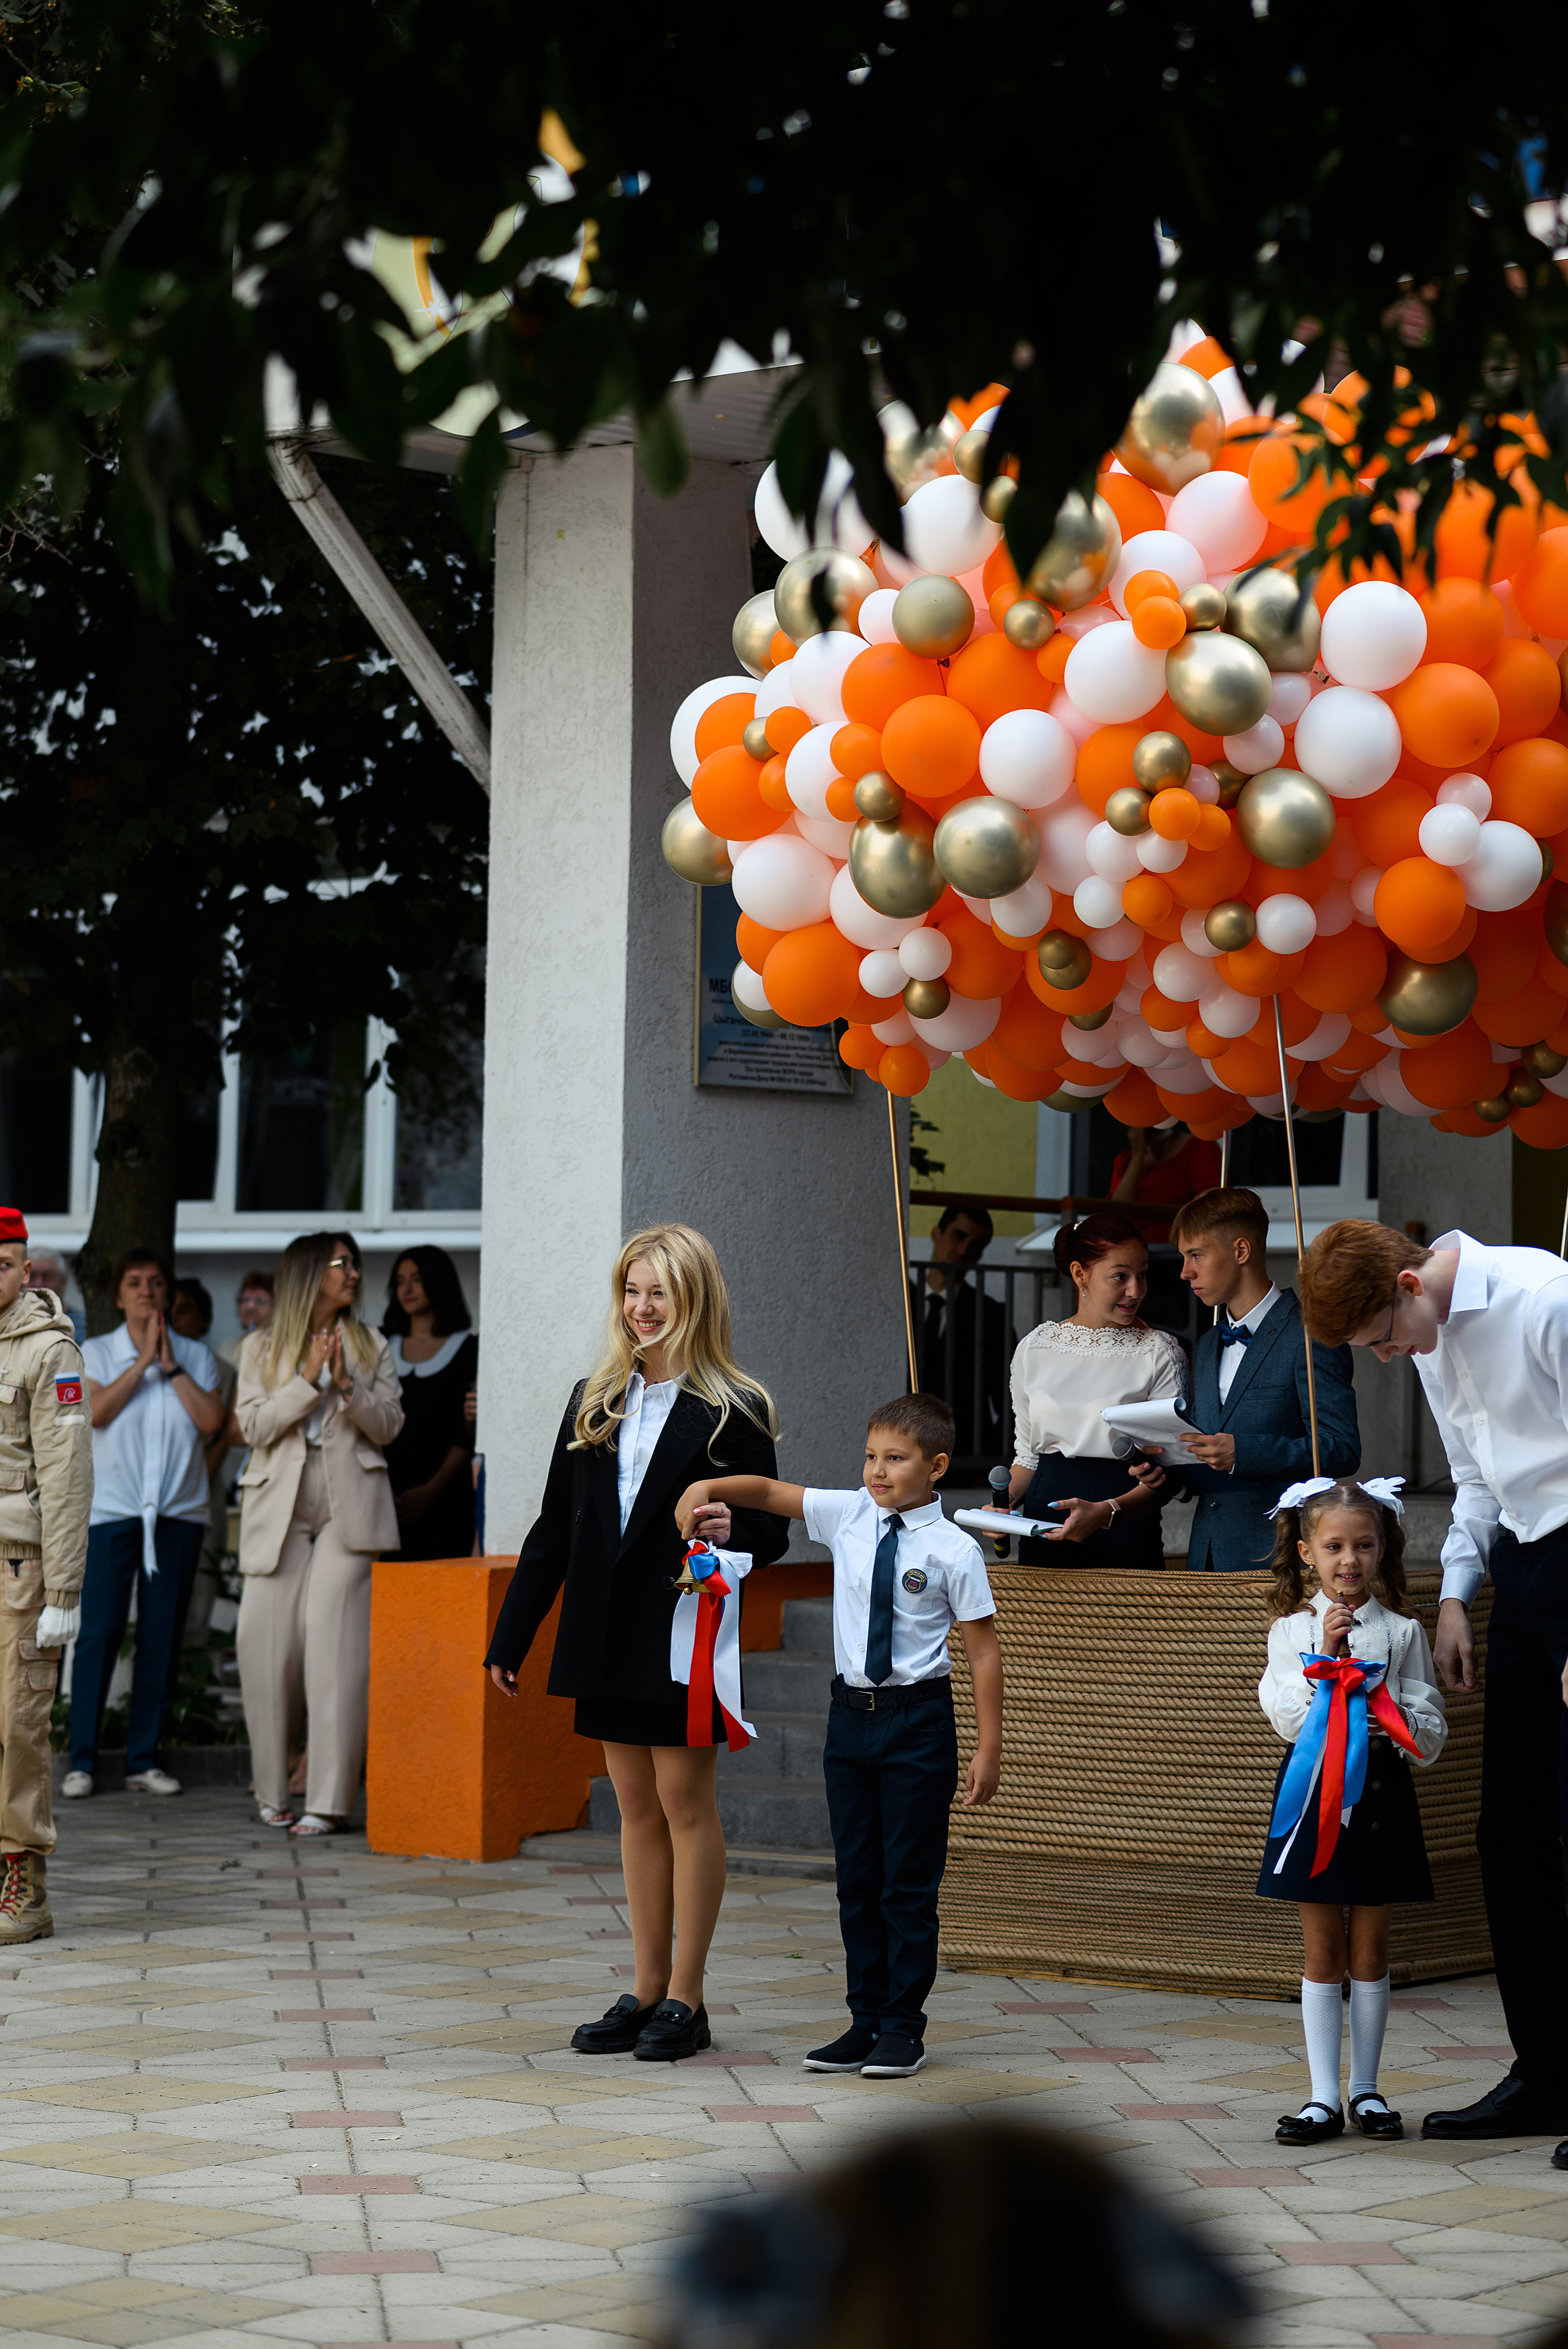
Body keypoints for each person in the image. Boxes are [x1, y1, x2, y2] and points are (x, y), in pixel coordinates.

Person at [485, 1225, 788, 2061]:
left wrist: (733, 1531)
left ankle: (688, 1998)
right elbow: (554, 1528)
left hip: (680, 1630)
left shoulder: (736, 1405)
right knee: (634, 1807)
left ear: (694, 1297)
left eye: (659, 1291)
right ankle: (647, 1987)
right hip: (603, 1628)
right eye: (632, 1290)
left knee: (686, 1805)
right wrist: (512, 1634)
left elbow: (770, 1528)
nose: (642, 1308)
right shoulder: (593, 1398)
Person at [1300, 1217, 1568, 2154]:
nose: (1387, 1356)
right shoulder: (1428, 1333)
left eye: (1382, 1337)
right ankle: (1548, 2073)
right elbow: (1475, 1479)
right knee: (1512, 1831)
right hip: (1522, 1569)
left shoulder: (1546, 1300)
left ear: (1411, 1281)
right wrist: (1457, 1595)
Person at [678, 1390, 1001, 2081]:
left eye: (896, 1459)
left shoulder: (954, 1550)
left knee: (906, 1884)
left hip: (918, 1722)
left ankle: (903, 2027)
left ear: (937, 1466)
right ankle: (864, 2021)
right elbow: (769, 1491)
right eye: (870, 1456)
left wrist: (988, 1746)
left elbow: (982, 1652)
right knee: (857, 1880)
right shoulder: (849, 1513)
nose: (877, 1471)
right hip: (849, 1720)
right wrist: (706, 1487)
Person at [1257, 1475, 1447, 2146]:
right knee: (1322, 1948)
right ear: (1306, 1552)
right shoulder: (1291, 1632)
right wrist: (1329, 1660)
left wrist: (1391, 1721)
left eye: (1363, 1545)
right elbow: (1286, 1717)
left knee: (1370, 1949)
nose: (1349, 1560)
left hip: (1380, 1796)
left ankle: (1366, 2089)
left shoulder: (1402, 1631)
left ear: (1381, 1549)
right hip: (1315, 1798)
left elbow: (1428, 1728)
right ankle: (1321, 2097)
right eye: (1334, 1546)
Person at [233, 1231, 403, 1839]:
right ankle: (272, 1790)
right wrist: (307, 1380)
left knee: (336, 1650)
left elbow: (390, 1425)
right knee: (264, 1647)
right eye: (342, 1263)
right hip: (278, 1502)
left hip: (347, 1505)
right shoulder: (260, 1346)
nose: (354, 1273)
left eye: (355, 1264)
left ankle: (328, 1801)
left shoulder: (371, 1342)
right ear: (310, 1273)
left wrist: (348, 1386)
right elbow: (253, 1426)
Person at [67, 1249, 225, 1800]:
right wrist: (141, 1364)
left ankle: (143, 1759)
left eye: (156, 1283)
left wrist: (171, 1365)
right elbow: (96, 1413)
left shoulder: (196, 1356)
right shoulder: (93, 1352)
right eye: (134, 1283)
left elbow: (212, 1421)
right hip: (112, 1512)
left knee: (162, 1635)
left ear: (168, 1293)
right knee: (99, 1632)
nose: (146, 1291)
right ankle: (81, 1760)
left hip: (178, 1515)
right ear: (118, 1296)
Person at [1162, 1188, 1360, 1570]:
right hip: (1205, 1558)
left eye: (1196, 1255)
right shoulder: (1208, 1343)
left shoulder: (1310, 1333)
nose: (1185, 1272)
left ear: (1241, 1251)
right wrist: (1167, 1475)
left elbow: (1340, 1447)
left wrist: (1245, 1453)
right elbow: (1210, 1461)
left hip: (1279, 1557)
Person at [0, 1208, 91, 1945]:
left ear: (26, 1271)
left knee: (18, 1725)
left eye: (3, 1265)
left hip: (19, 1568)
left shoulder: (51, 1351)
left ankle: (23, 1880)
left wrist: (63, 1590)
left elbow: (67, 1478)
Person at [999, 1212, 1179, 1568]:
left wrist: (1108, 1511)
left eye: (1142, 1274)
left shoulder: (1159, 1351)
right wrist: (1001, 1506)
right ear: (1080, 1274)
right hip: (1044, 1524)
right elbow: (1028, 1459)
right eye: (1120, 1277)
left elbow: (1170, 1473)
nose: (1136, 1291)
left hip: (1124, 1526)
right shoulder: (1035, 1347)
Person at [381, 1246, 478, 1560]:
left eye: (417, 1279)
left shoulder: (470, 1349)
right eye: (400, 1281)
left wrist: (430, 1491)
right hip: (385, 1499)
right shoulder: (380, 1344)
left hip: (446, 1501)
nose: (407, 1289)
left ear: (438, 1282)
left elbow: (470, 1430)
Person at [910, 1205, 1006, 1461]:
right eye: (959, 1236)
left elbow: (1010, 1400)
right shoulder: (900, 1303)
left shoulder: (990, 1315)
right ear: (936, 1234)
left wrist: (986, 1457)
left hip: (962, 1459)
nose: (964, 1251)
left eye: (975, 1246)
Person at [172, 1275, 240, 1624]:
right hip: (152, 1492)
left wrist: (194, 1486)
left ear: (205, 1320)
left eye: (184, 1310)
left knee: (198, 1591)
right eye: (168, 1311)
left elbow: (224, 1436)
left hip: (201, 1488)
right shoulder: (143, 1367)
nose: (174, 1318)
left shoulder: (222, 1371)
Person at [1109, 1122, 1222, 1244]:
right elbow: (1116, 1216)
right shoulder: (1125, 1161)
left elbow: (1211, 1208)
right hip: (1130, 1246)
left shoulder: (1199, 1148)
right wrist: (1137, 1158)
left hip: (1175, 1246)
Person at [25, 1249, 85, 1342]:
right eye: (32, 1276)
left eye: (47, 1277)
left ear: (63, 1282)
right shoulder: (8, 1324)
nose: (38, 1284)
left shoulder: (84, 1326)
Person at [224, 1269, 274, 1369]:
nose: (250, 1306)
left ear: (276, 1306)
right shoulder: (228, 1347)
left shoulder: (280, 1347)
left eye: (259, 1301)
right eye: (245, 1300)